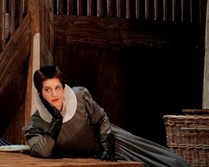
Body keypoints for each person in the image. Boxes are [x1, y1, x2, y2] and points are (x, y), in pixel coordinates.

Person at [23, 66, 190, 167]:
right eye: (47, 90)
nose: (54, 94)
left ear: (63, 88)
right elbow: (42, 152)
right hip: (85, 158)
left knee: (171, 163)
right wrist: (56, 121)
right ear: (40, 92)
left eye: (57, 88)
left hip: (111, 143)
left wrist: (107, 148)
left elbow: (101, 119)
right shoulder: (38, 121)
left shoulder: (79, 96)